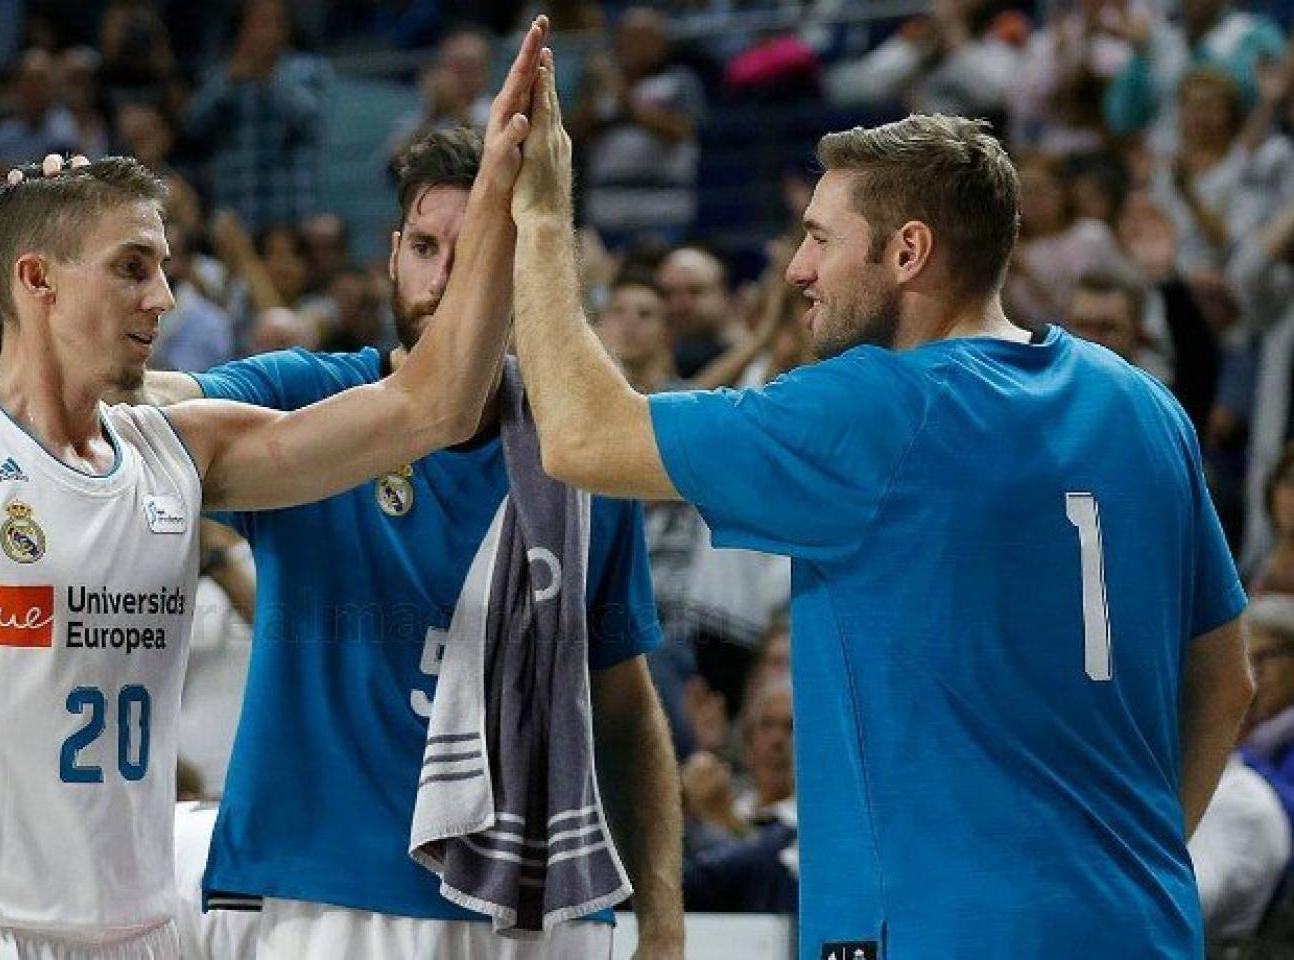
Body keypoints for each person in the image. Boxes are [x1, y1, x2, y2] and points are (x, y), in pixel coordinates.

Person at [0, 19, 550, 959]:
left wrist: (498, 192)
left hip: (133, 932)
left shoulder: (183, 450)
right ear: (38, 279)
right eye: (133, 267)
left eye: (164, 267)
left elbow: (437, 404)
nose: (163, 298)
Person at [506, 85, 1253, 957]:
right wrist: (1138, 855)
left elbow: (582, 436)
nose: (796, 269)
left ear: (907, 252)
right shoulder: (1143, 406)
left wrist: (544, 218)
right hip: (1141, 923)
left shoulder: (875, 409)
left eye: (821, 239)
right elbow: (1225, 682)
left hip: (941, 933)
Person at [139, 123, 681, 960]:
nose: (443, 279)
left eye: (477, 252)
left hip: (541, 909)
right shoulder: (306, 402)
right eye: (426, 247)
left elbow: (622, 708)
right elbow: (161, 404)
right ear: (393, 255)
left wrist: (666, 923)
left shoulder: (579, 455)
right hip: (330, 895)